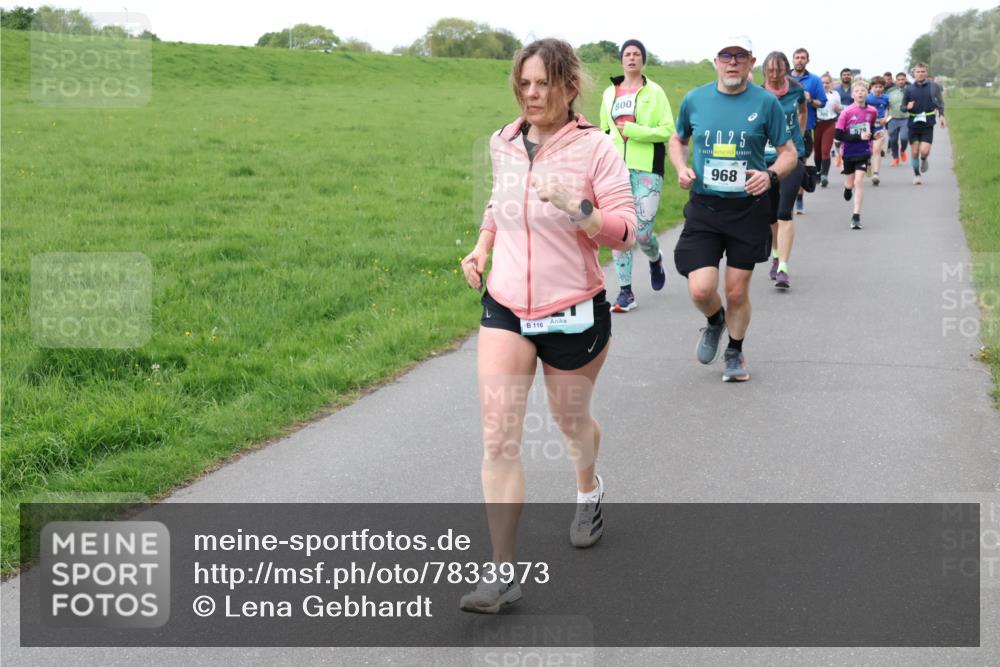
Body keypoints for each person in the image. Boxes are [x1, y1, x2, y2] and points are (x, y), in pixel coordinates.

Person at [459, 38, 636, 614]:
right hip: (506, 304)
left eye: (545, 84)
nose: (533, 95)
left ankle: (588, 487)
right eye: (525, 84)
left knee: (570, 422)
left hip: (573, 308)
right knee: (499, 434)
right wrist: (483, 246)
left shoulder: (596, 149)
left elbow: (627, 231)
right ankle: (502, 573)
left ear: (569, 87)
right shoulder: (503, 142)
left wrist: (578, 208)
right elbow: (498, 202)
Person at [669, 36, 796, 382]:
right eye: (726, 56)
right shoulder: (695, 100)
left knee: (737, 289)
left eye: (740, 56)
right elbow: (677, 138)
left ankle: (735, 351)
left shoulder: (766, 103)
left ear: (751, 62)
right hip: (705, 207)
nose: (733, 62)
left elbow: (789, 152)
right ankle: (715, 321)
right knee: (701, 288)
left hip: (748, 209)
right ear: (716, 61)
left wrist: (770, 176)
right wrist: (681, 168)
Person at [599, 39, 675, 312]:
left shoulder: (655, 92)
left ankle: (655, 259)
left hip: (647, 169)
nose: (631, 58)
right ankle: (625, 292)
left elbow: (667, 129)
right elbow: (604, 131)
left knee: (642, 233)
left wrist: (635, 131)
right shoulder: (609, 93)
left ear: (643, 60)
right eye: (627, 54)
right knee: (619, 233)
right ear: (621, 60)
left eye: (636, 54)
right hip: (615, 170)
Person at [762, 51, 807, 290]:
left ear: (786, 70)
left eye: (779, 70)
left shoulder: (797, 90)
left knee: (783, 212)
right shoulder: (758, 94)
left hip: (791, 158)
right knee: (770, 215)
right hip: (766, 161)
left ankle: (783, 269)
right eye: (770, 71)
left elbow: (802, 112)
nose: (775, 74)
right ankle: (776, 254)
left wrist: (798, 140)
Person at [835, 80, 878, 229]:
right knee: (850, 183)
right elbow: (839, 135)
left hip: (864, 152)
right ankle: (847, 188)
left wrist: (874, 135)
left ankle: (856, 216)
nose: (860, 93)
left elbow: (870, 130)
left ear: (867, 93)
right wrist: (858, 136)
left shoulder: (872, 111)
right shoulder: (846, 112)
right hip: (848, 153)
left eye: (863, 91)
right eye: (857, 91)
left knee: (859, 181)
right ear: (853, 94)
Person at [789, 48, 826, 215]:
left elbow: (822, 103)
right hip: (782, 129)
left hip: (804, 129)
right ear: (792, 60)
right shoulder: (784, 78)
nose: (799, 60)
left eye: (803, 58)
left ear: (807, 61)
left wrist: (810, 100)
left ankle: (799, 197)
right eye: (797, 57)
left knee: (799, 165)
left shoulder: (815, 80)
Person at [903, 63, 946, 185]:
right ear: (914, 73)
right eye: (918, 72)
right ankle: (917, 175)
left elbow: (940, 103)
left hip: (928, 123)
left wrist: (942, 116)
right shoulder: (909, 89)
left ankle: (924, 159)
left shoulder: (934, 87)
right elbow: (902, 107)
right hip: (913, 124)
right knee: (915, 152)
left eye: (922, 71)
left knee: (924, 151)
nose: (920, 74)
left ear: (926, 73)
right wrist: (907, 107)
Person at [814, 72, 843, 187]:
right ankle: (818, 172)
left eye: (827, 83)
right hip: (817, 124)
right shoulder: (815, 94)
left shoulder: (835, 94)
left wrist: (838, 108)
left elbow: (840, 109)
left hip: (830, 124)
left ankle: (824, 175)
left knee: (825, 150)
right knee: (817, 152)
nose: (825, 85)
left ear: (831, 84)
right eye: (822, 83)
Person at [865, 76, 891, 185]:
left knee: (876, 149)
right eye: (876, 86)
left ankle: (876, 174)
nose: (878, 89)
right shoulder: (867, 98)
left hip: (879, 127)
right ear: (872, 87)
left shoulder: (886, 98)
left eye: (880, 87)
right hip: (867, 126)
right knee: (868, 150)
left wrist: (886, 119)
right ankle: (868, 164)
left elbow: (890, 112)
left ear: (883, 87)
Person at [886, 72, 910, 166]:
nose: (900, 81)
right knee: (893, 140)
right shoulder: (890, 91)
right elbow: (885, 104)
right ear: (895, 81)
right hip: (893, 118)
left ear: (905, 80)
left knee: (904, 138)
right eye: (898, 80)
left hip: (906, 118)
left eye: (902, 79)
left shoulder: (909, 90)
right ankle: (895, 158)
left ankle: (903, 150)